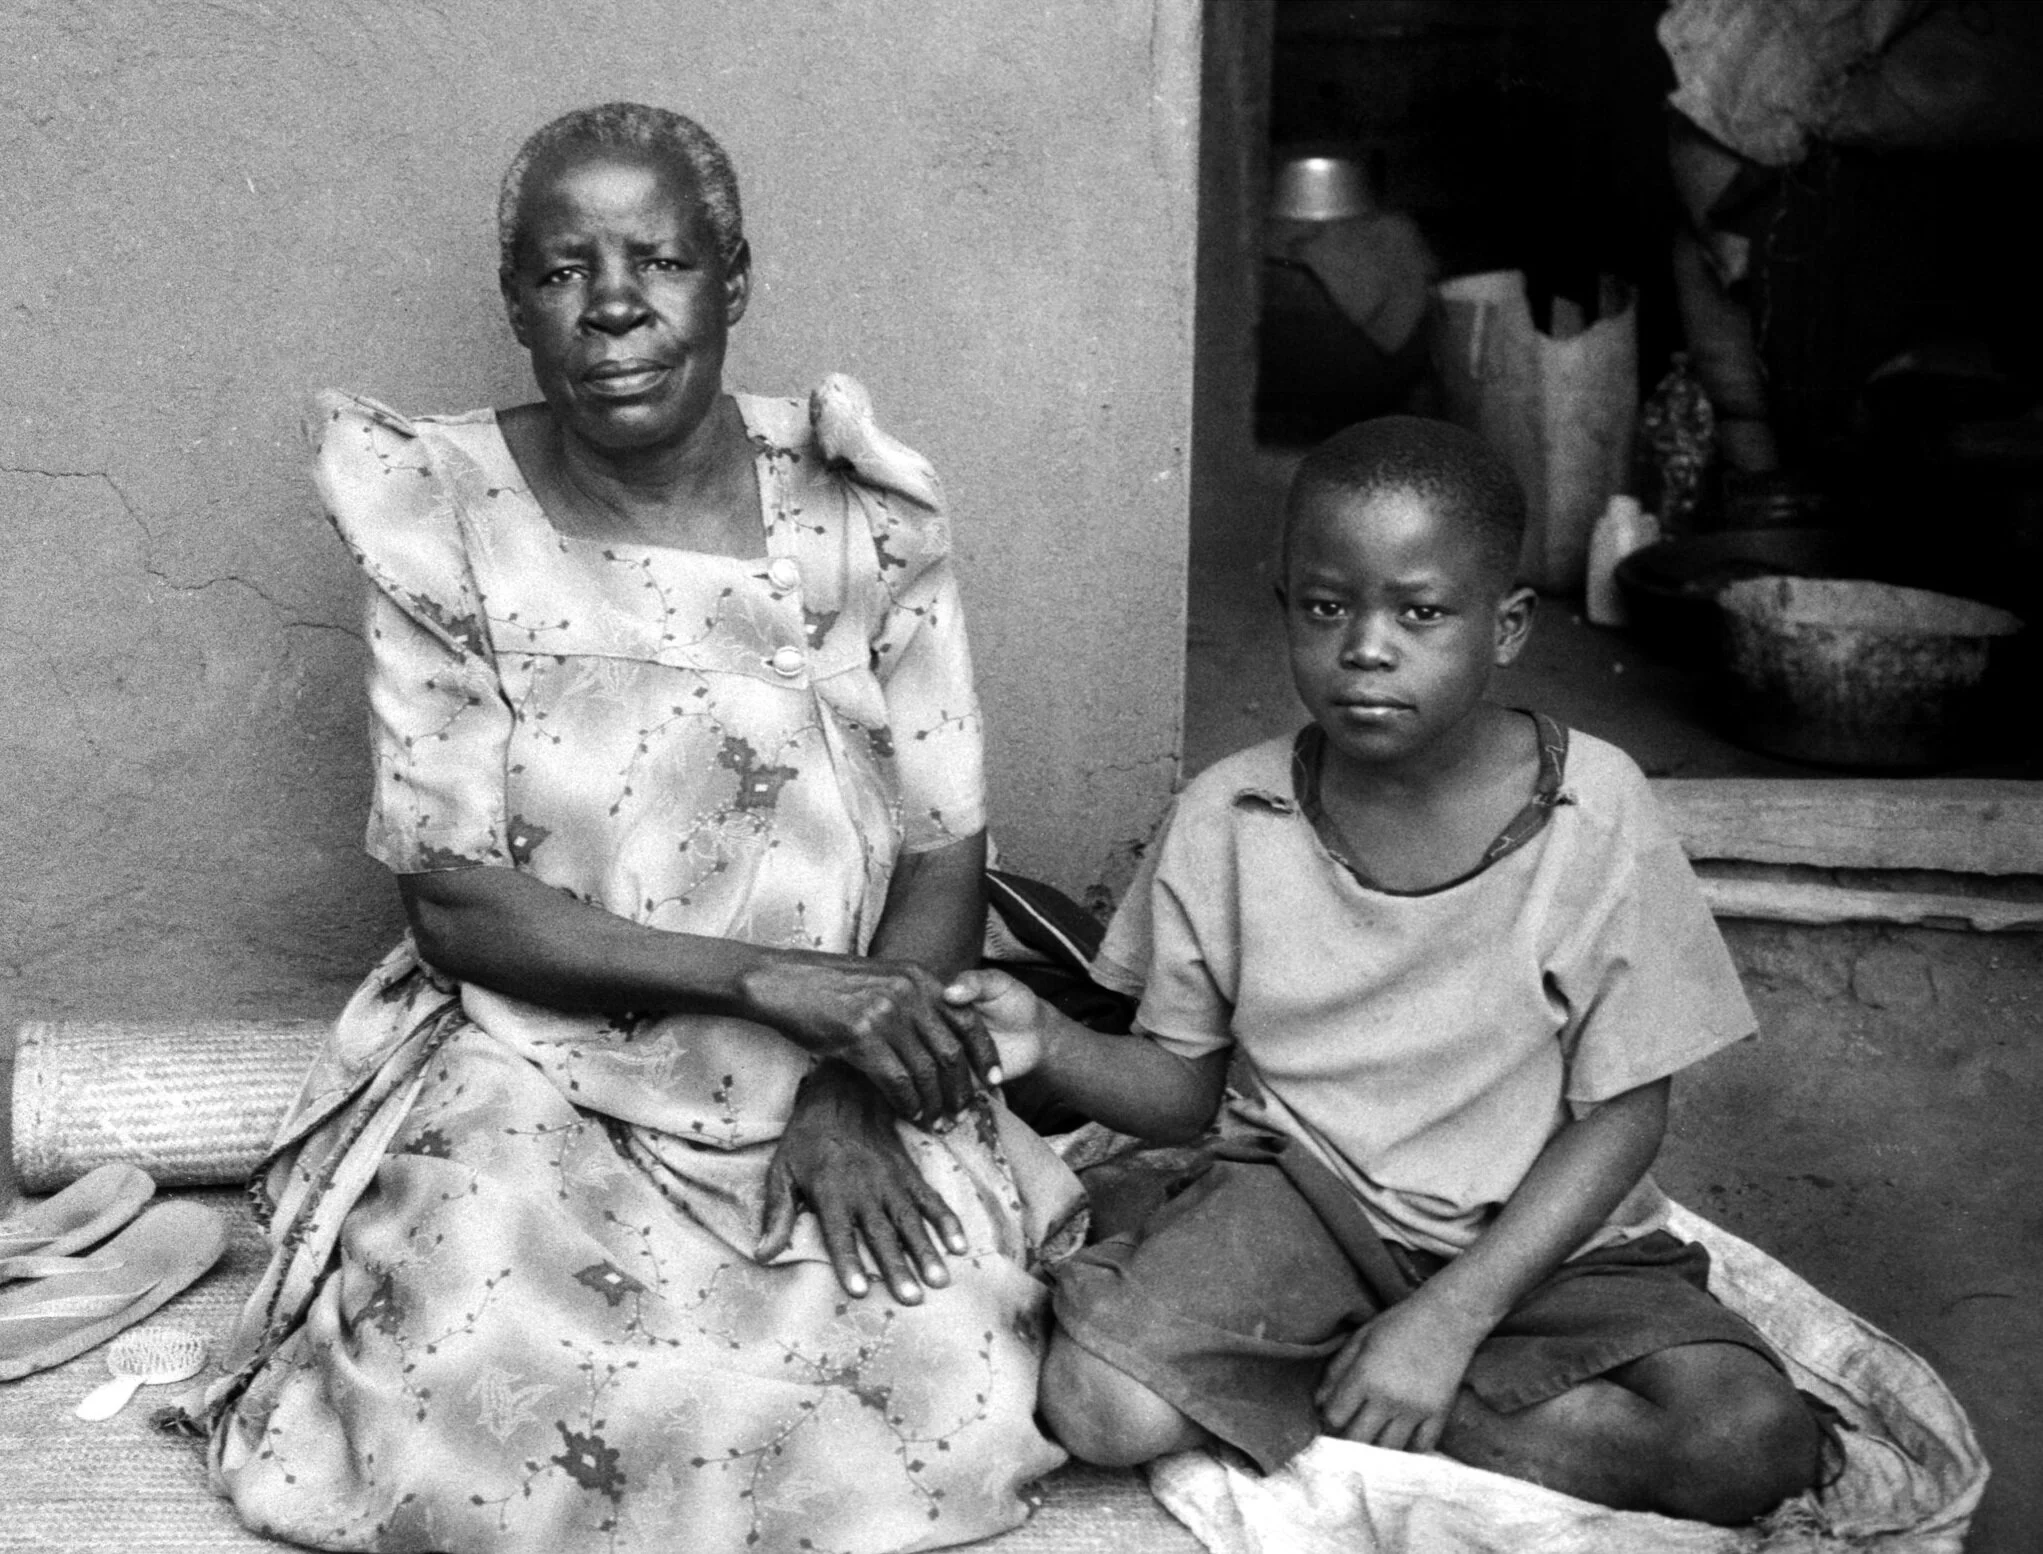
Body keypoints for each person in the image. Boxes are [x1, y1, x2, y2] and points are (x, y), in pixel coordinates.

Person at [199, 102, 1083, 1554]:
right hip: (540, 1061)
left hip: (834, 1061)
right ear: (515, 304)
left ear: (732, 280)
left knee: (952, 1390)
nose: (612, 308)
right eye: (563, 272)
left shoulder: (862, 513)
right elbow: (456, 905)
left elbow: (942, 851)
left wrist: (856, 1089)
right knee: (457, 1405)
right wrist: (765, 977)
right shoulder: (442, 514)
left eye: (660, 263)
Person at [951, 416, 1829, 1524]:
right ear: (1286, 609)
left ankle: (1347, 1385)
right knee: (1098, 1405)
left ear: (1506, 627)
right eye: (1327, 608)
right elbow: (1179, 1092)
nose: (1366, 648)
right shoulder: (1231, 812)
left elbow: (1622, 1118)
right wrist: (1049, 1044)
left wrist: (1448, 1318)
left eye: (1420, 613)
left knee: (1752, 1447)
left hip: (1537, 1243)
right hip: (1299, 1205)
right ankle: (1378, 1382)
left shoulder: (1594, 807)